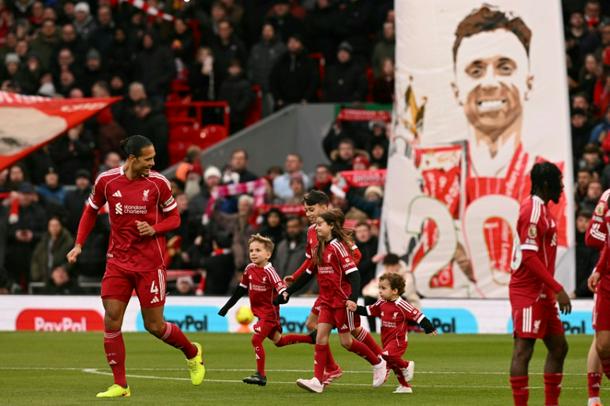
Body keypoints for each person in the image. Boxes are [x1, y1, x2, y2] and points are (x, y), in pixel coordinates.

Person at [66, 135, 204, 398]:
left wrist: (154, 228)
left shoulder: (159, 183)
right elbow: (90, 211)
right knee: (111, 318)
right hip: (117, 261)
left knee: (155, 326)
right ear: (132, 159)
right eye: (147, 159)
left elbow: (175, 218)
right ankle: (121, 385)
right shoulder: (106, 181)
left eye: (153, 158)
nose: (152, 163)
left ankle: (192, 352)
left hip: (150, 264)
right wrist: (78, 244)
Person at [278, 209, 387, 393]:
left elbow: (354, 275)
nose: (316, 227)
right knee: (320, 337)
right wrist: (288, 292)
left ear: (330, 226)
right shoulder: (319, 247)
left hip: (342, 301)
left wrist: (352, 299)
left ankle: (378, 363)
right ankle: (317, 381)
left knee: (346, 342)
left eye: (320, 224)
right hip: (327, 301)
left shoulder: (338, 247)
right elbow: (308, 273)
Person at [508, 162, 571, 406]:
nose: (562, 187)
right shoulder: (532, 210)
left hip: (543, 291)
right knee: (523, 349)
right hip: (528, 290)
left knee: (559, 347)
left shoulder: (543, 210)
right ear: (546, 184)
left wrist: (551, 289)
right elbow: (529, 256)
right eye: (559, 182)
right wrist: (558, 288)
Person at [218, 234, 315, 386]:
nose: (253, 253)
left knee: (256, 340)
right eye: (251, 250)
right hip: (260, 313)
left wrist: (282, 297)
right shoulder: (249, 269)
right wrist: (227, 307)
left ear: (268, 255)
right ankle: (311, 339)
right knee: (279, 341)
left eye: (258, 250)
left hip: (269, 314)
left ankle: (260, 375)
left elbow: (282, 289)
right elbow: (241, 289)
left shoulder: (270, 271)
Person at [350, 272, 437, 394]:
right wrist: (356, 308)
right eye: (379, 288)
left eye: (383, 288)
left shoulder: (402, 305)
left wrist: (429, 328)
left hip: (398, 340)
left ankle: (407, 365)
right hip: (386, 339)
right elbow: (368, 310)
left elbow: (418, 316)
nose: (380, 291)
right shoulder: (381, 302)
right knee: (393, 363)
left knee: (386, 356)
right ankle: (405, 386)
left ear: (395, 291)